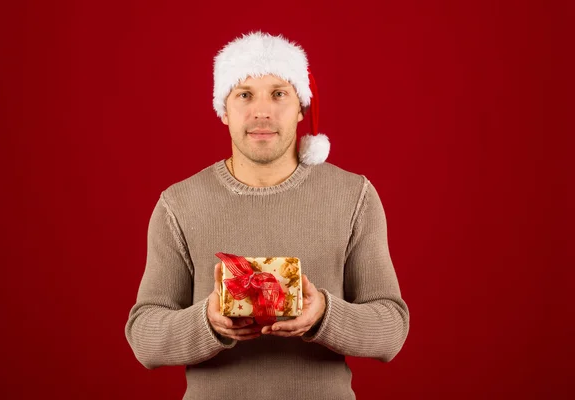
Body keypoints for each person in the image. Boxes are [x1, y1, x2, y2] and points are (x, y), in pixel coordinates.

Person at [124, 31, 410, 400]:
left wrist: (323, 314)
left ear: (301, 107)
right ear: (224, 110)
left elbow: (391, 329)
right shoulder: (179, 204)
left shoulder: (354, 196)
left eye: (278, 94)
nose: (262, 111)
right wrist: (208, 322)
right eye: (244, 95)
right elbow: (144, 337)